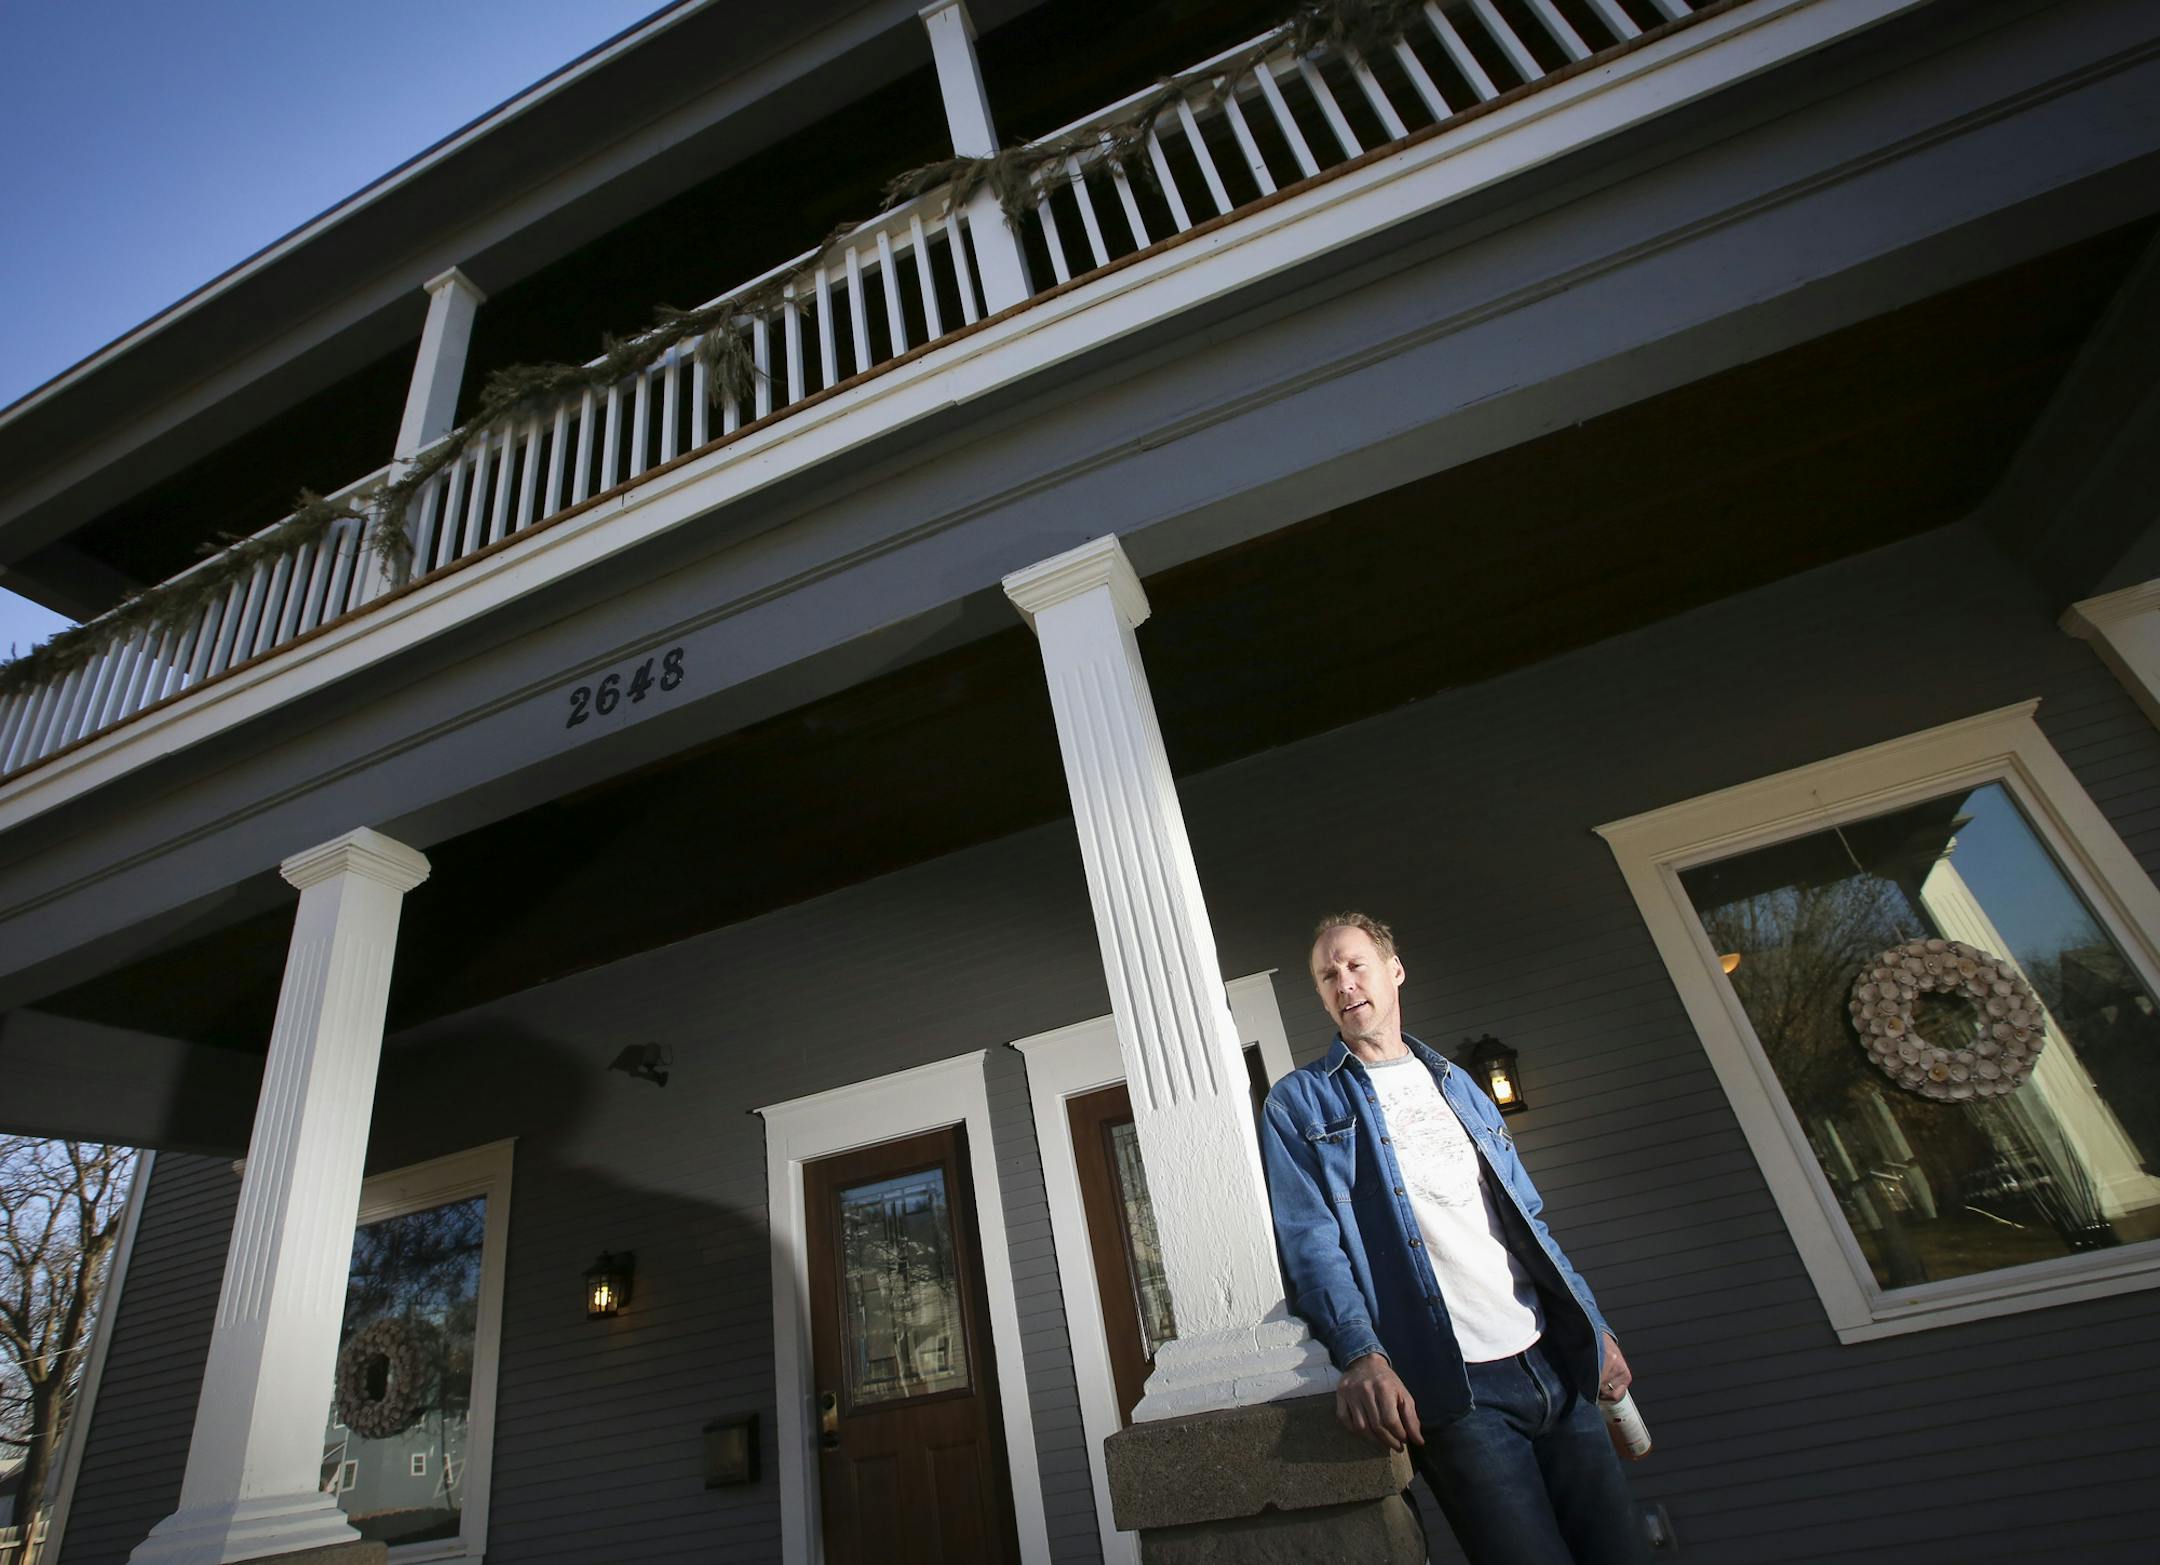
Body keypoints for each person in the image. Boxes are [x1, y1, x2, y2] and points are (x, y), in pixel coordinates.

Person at [1260, 912, 1649, 1565]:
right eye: (1328, 974)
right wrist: (1362, 1354)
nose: (1344, 981)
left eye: (1356, 964)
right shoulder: (1300, 1104)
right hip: (1458, 1391)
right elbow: (1310, 1243)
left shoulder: (1458, 1084)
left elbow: (1528, 1219)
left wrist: (1595, 1322)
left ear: (1394, 969)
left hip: (1553, 1355)